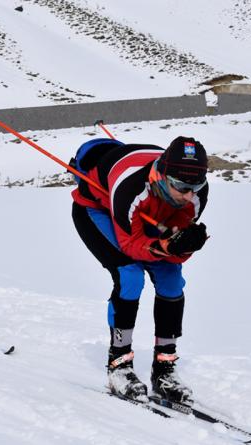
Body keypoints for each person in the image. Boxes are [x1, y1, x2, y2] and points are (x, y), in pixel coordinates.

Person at [71, 136, 210, 404]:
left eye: (196, 186)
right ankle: (119, 365)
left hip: (151, 215)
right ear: (162, 176)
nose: (189, 195)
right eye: (182, 187)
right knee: (130, 276)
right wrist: (166, 246)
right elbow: (132, 245)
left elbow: (173, 250)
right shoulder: (131, 188)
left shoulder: (195, 195)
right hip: (97, 209)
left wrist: (183, 246)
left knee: (171, 281)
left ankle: (164, 369)